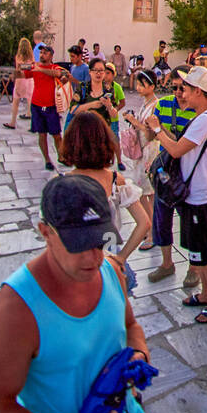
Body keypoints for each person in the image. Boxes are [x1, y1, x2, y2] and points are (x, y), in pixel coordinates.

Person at [0, 174, 151, 413]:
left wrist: (138, 353)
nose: (93, 257)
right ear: (46, 232)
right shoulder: (15, 309)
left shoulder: (112, 273)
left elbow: (131, 326)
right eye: (78, 244)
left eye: (99, 242)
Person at [145, 66, 207, 322]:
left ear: (200, 92)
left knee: (204, 254)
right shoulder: (203, 117)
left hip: (201, 198)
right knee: (196, 251)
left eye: (187, 89)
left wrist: (157, 130)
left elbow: (178, 150)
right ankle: (205, 294)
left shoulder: (205, 119)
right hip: (194, 196)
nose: (183, 94)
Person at [61, 111, 150, 296]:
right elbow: (144, 223)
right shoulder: (115, 181)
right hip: (108, 260)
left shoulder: (62, 185)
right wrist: (121, 259)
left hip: (77, 266)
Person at [139, 73, 197, 279]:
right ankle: (166, 264)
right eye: (175, 88)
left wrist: (159, 129)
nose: (179, 93)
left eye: (183, 88)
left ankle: (194, 268)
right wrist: (150, 129)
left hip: (188, 174)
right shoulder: (162, 105)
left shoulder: (198, 110)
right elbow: (150, 137)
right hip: (165, 173)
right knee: (162, 219)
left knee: (190, 223)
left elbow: (181, 146)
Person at [120, 70, 161, 250]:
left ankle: (152, 232)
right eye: (138, 84)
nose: (138, 88)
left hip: (150, 152)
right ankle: (150, 227)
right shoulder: (146, 103)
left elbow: (151, 132)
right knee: (144, 193)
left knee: (147, 194)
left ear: (152, 86)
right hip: (143, 151)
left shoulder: (155, 105)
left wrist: (133, 121)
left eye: (142, 84)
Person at [27, 45, 67, 171]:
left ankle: (61, 156)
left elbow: (58, 73)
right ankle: (47, 160)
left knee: (56, 135)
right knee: (42, 134)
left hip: (50, 107)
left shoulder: (54, 67)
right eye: (41, 52)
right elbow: (22, 72)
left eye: (45, 53)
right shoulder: (35, 66)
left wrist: (40, 69)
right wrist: (19, 67)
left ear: (50, 56)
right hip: (37, 105)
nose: (42, 55)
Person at [4, 37, 35, 131]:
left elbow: (18, 68)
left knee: (16, 101)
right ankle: (33, 125)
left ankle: (13, 122)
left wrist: (14, 76)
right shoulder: (31, 56)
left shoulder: (18, 56)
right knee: (31, 101)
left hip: (21, 79)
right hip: (29, 79)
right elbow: (32, 67)